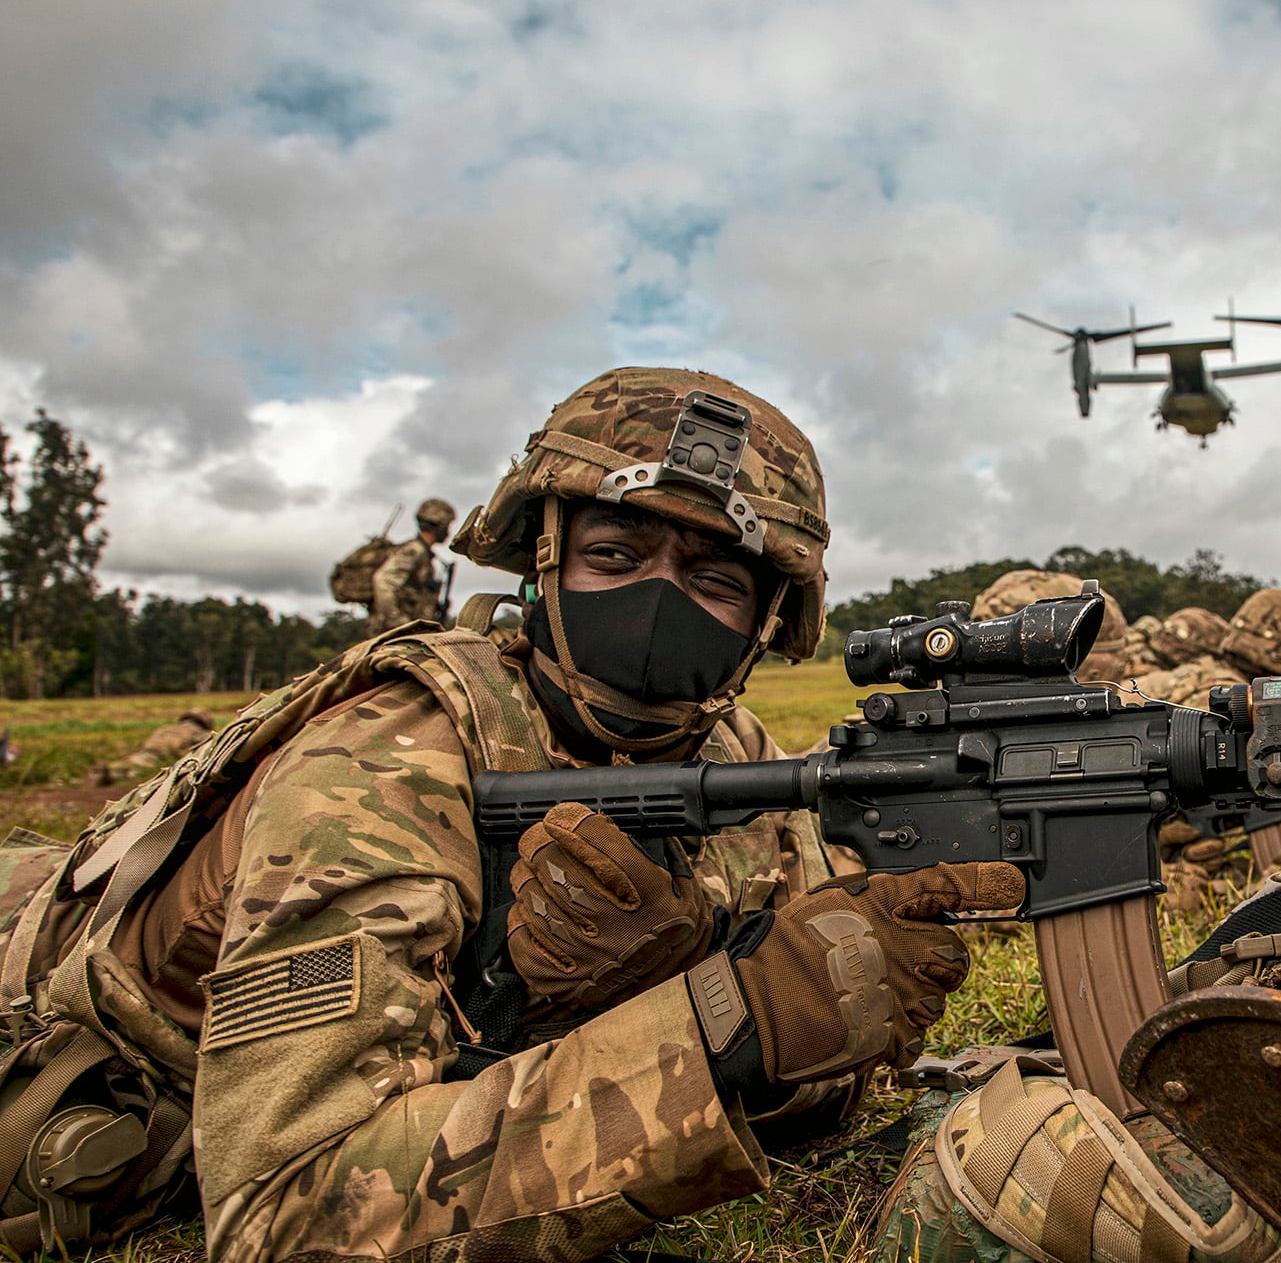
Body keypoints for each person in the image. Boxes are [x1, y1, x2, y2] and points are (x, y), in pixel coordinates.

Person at [0, 368, 1019, 1260]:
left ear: (765, 621)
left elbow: (792, 1064)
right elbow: (288, 1215)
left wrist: (784, 1002)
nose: (658, 597)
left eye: (712, 577)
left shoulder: (743, 762)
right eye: (616, 555)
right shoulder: (385, 763)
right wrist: (724, 1019)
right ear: (542, 561)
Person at [366, 496, 456, 633]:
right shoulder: (414, 550)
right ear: (438, 524)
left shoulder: (424, 554)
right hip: (396, 635)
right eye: (447, 525)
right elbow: (383, 582)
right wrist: (400, 624)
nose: (448, 531)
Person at [86, 709, 215, 788]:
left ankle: (107, 772)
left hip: (142, 754)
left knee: (125, 765)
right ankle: (112, 776)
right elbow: (211, 747)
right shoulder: (198, 733)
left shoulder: (165, 728)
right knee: (135, 774)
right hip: (160, 759)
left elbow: (143, 744)